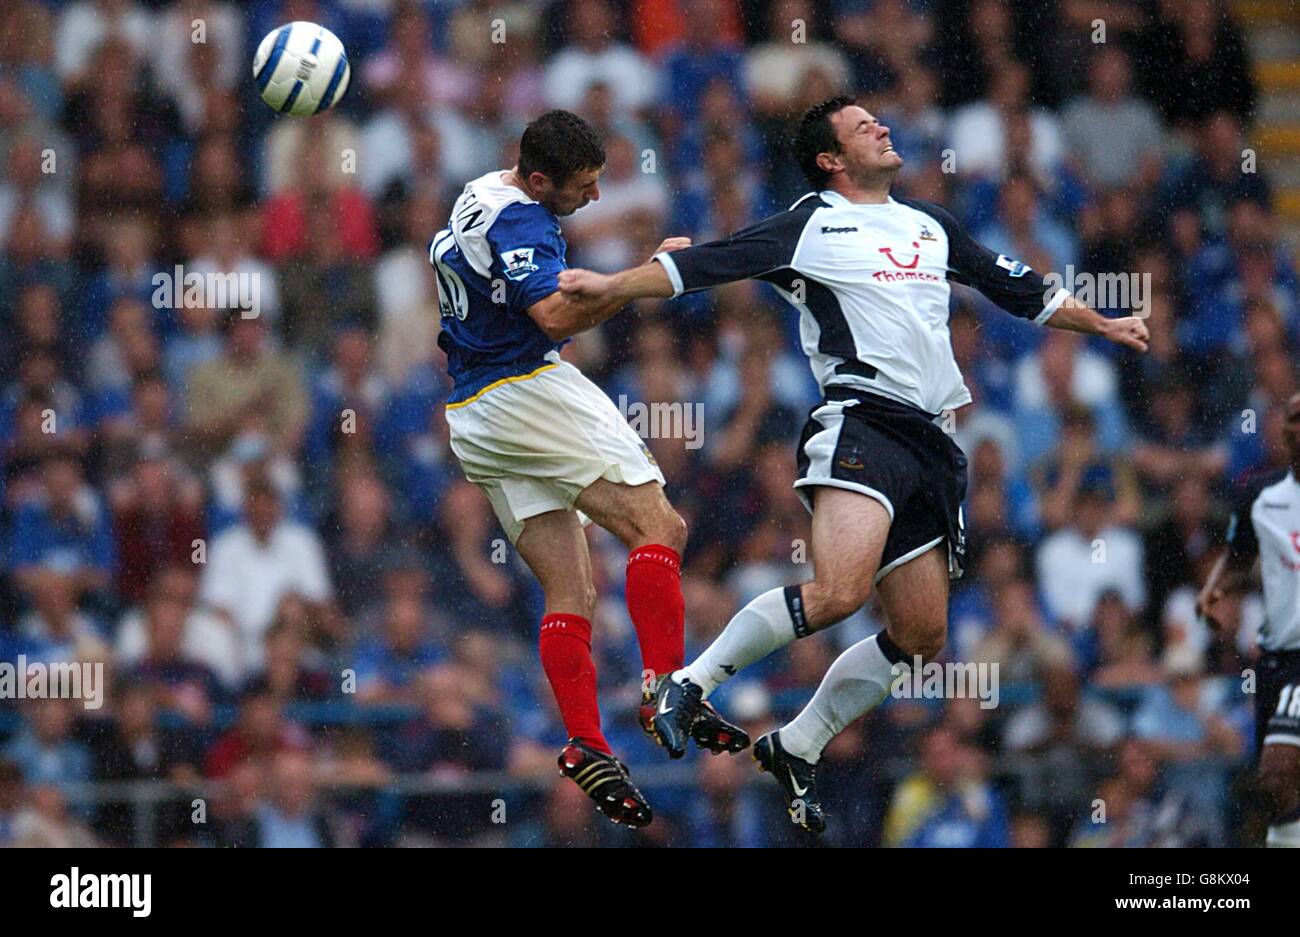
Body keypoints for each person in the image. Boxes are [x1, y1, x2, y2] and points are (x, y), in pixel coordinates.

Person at [560, 94, 1149, 833]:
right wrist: (613, 284)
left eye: (880, 117)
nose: (881, 124)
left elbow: (1018, 287)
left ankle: (798, 742)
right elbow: (700, 267)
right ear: (832, 159)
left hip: (935, 445)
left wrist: (1102, 322)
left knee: (922, 633)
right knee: (839, 590)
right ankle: (689, 681)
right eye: (861, 124)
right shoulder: (809, 225)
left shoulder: (930, 224)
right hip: (862, 420)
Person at [428, 110, 746, 828]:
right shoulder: (524, 222)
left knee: (573, 586)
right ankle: (667, 681)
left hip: (474, 414)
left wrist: (611, 278)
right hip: (523, 391)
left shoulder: (479, 190)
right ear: (540, 180)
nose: (596, 198)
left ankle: (585, 740)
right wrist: (645, 278)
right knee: (659, 523)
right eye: (584, 186)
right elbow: (552, 314)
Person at [1197, 391, 1300, 847]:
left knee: (1278, 771)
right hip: (1276, 660)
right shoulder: (1260, 496)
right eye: (1293, 416)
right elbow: (1239, 559)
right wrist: (1215, 589)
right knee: (1273, 786)